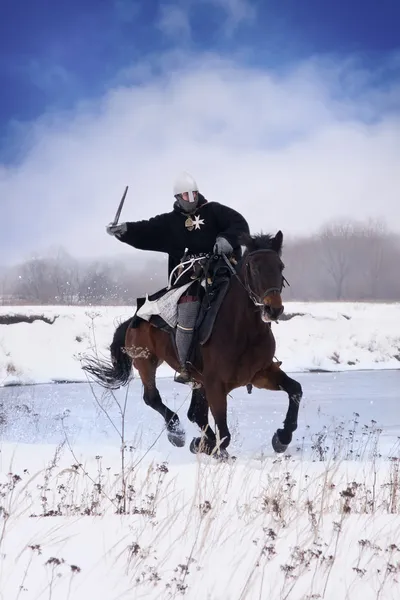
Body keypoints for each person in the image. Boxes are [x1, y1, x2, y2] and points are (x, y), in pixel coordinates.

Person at [106, 172, 250, 384]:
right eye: (186, 196)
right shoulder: (169, 223)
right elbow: (146, 230)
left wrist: (226, 239)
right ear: (177, 198)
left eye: (194, 194)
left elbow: (240, 224)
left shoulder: (215, 211)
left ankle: (257, 356)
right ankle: (186, 366)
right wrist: (125, 230)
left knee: (250, 300)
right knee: (188, 310)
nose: (191, 199)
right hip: (188, 281)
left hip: (222, 272)